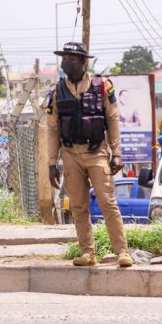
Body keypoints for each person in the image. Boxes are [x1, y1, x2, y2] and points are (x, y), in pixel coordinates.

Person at [45, 42, 132, 267]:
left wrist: (117, 153)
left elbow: (112, 119)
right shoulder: (56, 92)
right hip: (70, 153)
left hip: (97, 152)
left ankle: (122, 252)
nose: (67, 62)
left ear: (83, 61)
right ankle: (88, 253)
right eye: (64, 58)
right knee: (78, 205)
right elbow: (53, 128)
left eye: (72, 58)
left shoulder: (102, 85)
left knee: (107, 201)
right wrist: (51, 163)